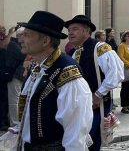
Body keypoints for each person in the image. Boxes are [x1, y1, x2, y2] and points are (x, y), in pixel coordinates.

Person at [17, 11, 93, 150]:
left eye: (27, 35)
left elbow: (76, 130)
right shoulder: (37, 65)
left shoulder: (67, 72)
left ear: (45, 41)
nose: (21, 39)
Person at [65, 15, 124, 151]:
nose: (70, 33)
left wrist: (99, 94)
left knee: (92, 142)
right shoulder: (72, 53)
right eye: (69, 30)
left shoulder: (100, 48)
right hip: (78, 108)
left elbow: (116, 72)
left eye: (75, 29)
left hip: (96, 107)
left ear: (86, 31)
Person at [0, 26, 25, 132]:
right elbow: (4, 45)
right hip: (11, 76)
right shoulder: (12, 44)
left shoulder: (15, 44)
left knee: (14, 100)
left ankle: (14, 122)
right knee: (12, 101)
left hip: (14, 76)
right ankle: (14, 123)